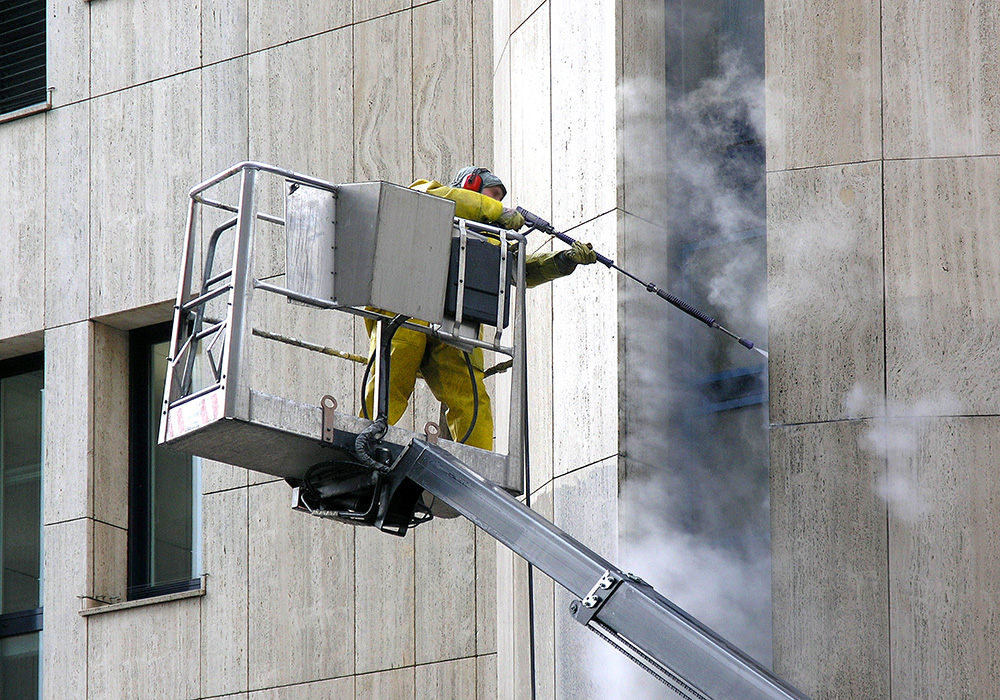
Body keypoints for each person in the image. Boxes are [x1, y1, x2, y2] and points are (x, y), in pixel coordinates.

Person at [361, 166, 597, 451]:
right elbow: (425, 193)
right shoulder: (431, 197)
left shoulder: (490, 241)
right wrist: (494, 211)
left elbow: (518, 271)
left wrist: (563, 261)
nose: (496, 203)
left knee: (471, 399)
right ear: (469, 187)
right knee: (390, 380)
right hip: (406, 308)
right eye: (491, 195)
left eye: (499, 199)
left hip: (456, 321)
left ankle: (476, 462)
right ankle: (364, 436)